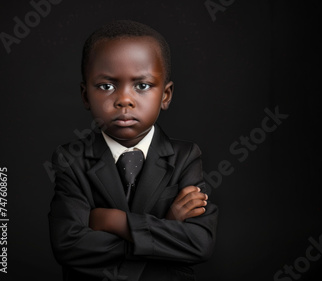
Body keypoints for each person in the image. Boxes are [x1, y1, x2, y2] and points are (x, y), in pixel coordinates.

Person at [48, 20, 218, 281]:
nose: (124, 99)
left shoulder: (185, 157)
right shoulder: (72, 160)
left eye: (142, 85)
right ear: (85, 95)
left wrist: (116, 222)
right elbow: (69, 246)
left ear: (166, 95)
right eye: (106, 86)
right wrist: (169, 226)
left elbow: (199, 242)